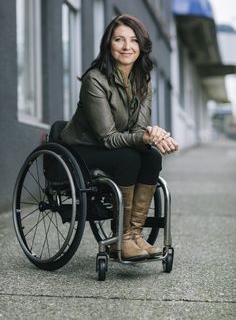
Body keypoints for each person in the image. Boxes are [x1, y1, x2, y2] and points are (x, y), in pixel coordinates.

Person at [61, 14, 178, 261]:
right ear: (108, 44)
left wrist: (151, 135)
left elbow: (138, 132)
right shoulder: (95, 79)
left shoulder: (143, 80)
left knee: (151, 157)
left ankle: (134, 235)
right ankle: (122, 237)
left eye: (134, 40)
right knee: (129, 159)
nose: (127, 47)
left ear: (141, 46)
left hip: (113, 145)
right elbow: (107, 138)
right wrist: (146, 137)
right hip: (80, 148)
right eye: (119, 40)